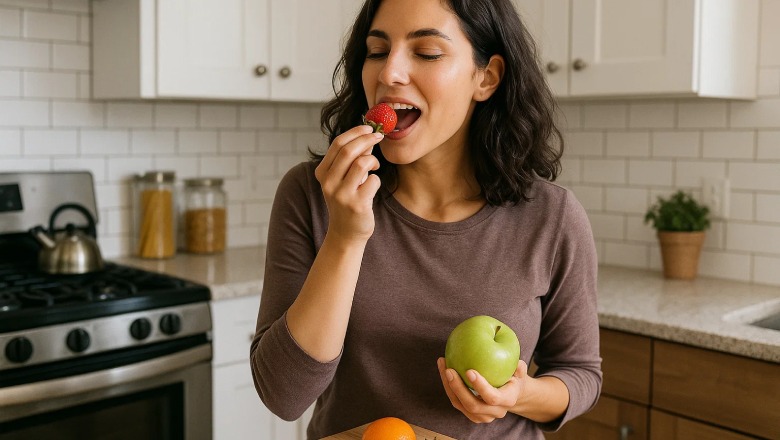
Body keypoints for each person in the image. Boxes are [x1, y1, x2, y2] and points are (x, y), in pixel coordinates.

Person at [250, 0, 602, 438]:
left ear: (486, 77)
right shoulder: (313, 194)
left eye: (427, 53)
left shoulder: (552, 216)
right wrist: (345, 237)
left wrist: (519, 395)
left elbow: (580, 372)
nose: (388, 73)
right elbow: (283, 396)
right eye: (377, 52)